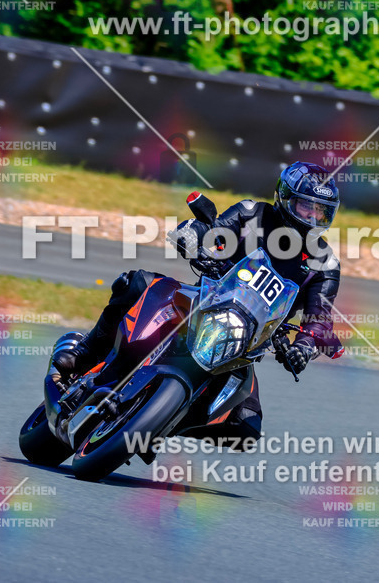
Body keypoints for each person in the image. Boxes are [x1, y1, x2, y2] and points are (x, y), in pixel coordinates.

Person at [45, 161, 343, 447]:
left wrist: (305, 346)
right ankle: (83, 353)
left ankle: (161, 420)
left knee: (246, 427)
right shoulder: (253, 213)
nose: (313, 218)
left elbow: (319, 317)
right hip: (203, 301)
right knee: (137, 283)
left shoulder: (325, 263)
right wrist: (192, 235)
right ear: (285, 197)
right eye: (307, 206)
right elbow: (213, 229)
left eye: (322, 212)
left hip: (246, 341)